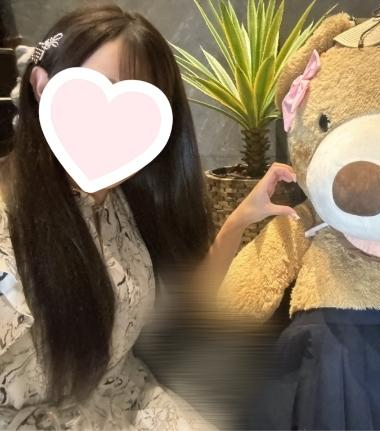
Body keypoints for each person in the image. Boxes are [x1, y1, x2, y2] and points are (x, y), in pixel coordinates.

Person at [0, 4, 298, 430]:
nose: (115, 124)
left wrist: (239, 220)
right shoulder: (9, 225)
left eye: (139, 107)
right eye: (97, 92)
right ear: (42, 86)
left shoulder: (124, 203)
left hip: (131, 401)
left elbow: (184, 303)